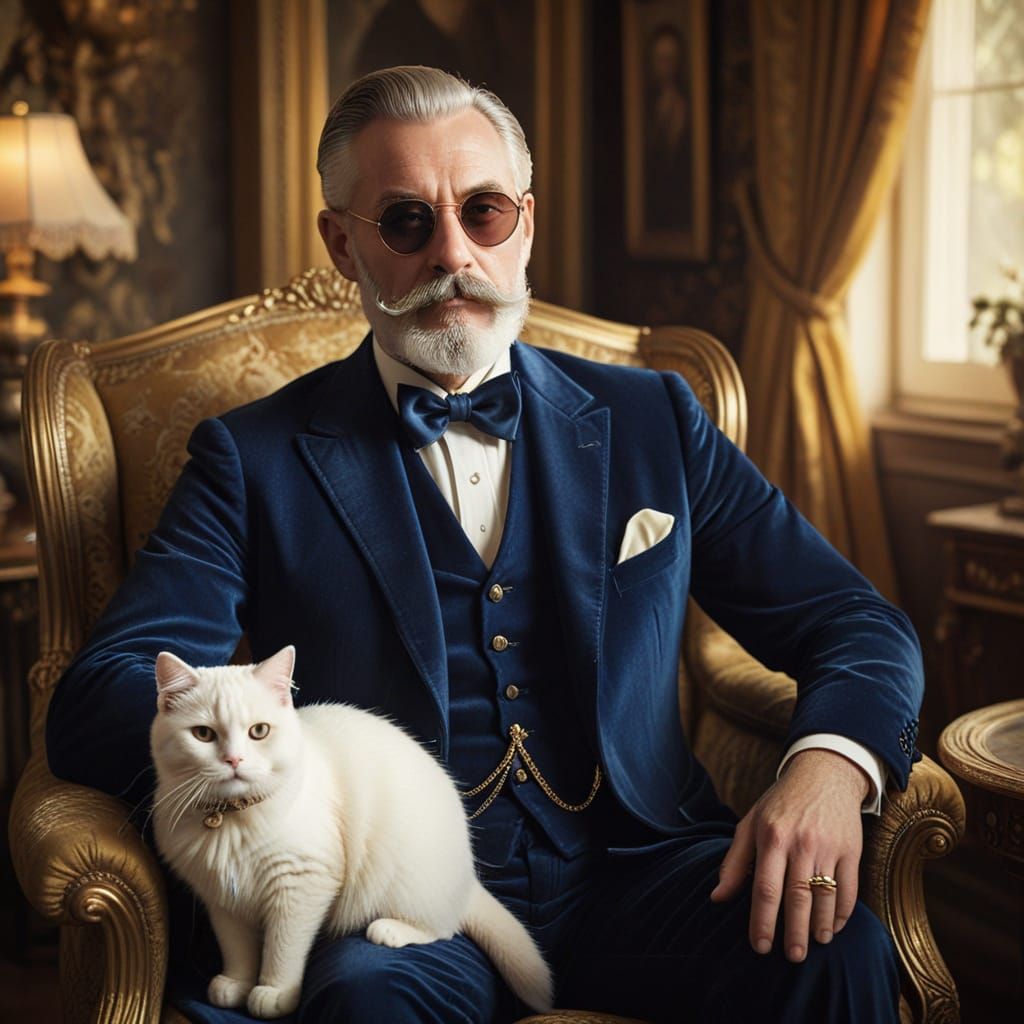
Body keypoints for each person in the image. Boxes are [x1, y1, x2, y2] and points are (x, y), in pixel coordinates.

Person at [46, 65, 922, 1023]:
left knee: (838, 955)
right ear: (343, 244)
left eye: (485, 211)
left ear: (527, 223)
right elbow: (104, 690)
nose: (453, 254)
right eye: (407, 223)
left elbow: (853, 621)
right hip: (404, 902)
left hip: (650, 870)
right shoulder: (249, 459)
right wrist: (274, 770)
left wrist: (833, 765)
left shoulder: (655, 417)